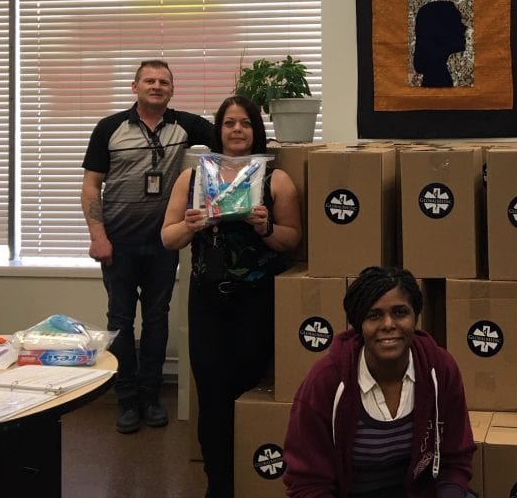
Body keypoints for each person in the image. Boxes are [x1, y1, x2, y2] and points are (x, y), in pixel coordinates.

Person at [161, 95, 302, 498]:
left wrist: (265, 229)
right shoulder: (193, 179)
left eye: (244, 123)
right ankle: (218, 484)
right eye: (228, 123)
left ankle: (254, 478)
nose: (237, 130)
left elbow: (292, 240)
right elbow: (167, 237)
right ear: (218, 131)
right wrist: (190, 226)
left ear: (256, 130)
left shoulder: (276, 180)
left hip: (256, 303)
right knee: (212, 396)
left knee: (250, 388)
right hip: (207, 302)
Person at [81, 60, 213, 434]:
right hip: (117, 245)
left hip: (162, 245)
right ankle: (125, 399)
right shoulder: (109, 128)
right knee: (120, 322)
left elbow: (232, 137)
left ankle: (151, 397)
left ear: (172, 89)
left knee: (156, 321)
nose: (157, 86)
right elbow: (92, 186)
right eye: (150, 81)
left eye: (164, 82)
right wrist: (98, 236)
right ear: (134, 86)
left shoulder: (185, 125)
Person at [283, 266, 475, 498]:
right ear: (358, 325)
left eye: (400, 312)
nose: (388, 324)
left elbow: (455, 459)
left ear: (415, 317)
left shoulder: (440, 368)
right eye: (374, 315)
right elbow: (308, 482)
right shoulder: (326, 380)